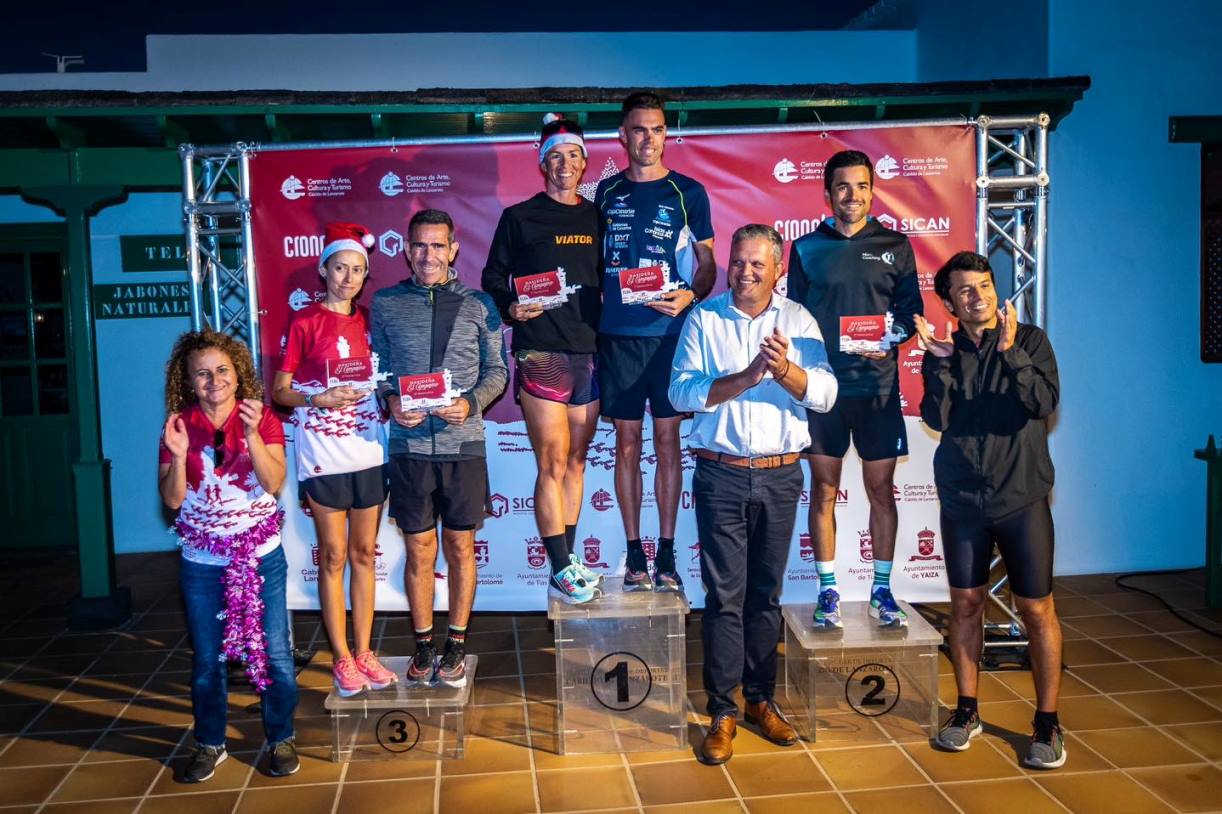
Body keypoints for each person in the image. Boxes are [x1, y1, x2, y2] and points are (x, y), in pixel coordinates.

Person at [670, 224, 838, 765]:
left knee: (765, 596)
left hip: (781, 475)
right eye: (738, 262)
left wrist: (786, 371)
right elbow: (680, 391)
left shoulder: (799, 321)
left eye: (758, 264)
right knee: (725, 599)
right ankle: (722, 711)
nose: (745, 271)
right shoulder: (704, 317)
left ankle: (761, 701)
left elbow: (828, 394)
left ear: (778, 269)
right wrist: (742, 378)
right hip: (719, 475)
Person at [916, 251, 1064, 769]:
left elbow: (1043, 404)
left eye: (984, 286)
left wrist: (1008, 352)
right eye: (965, 290)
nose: (978, 296)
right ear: (950, 303)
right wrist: (937, 365)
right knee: (965, 606)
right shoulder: (947, 349)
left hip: (1021, 496)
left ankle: (1047, 722)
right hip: (962, 499)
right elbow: (935, 416)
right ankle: (967, 711)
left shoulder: (1030, 341)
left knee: (1036, 610)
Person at [786, 149, 923, 628]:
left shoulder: (896, 245)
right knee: (823, 490)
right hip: (823, 390)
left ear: (872, 190)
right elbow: (793, 316)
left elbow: (910, 316)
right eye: (843, 186)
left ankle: (882, 591)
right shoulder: (805, 249)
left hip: (878, 389)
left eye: (862, 186)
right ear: (827, 194)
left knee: (881, 491)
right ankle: (828, 591)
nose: (853, 195)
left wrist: (892, 341)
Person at [372, 209, 508, 688]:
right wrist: (390, 400)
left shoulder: (479, 304)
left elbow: (498, 372)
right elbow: (380, 369)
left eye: (437, 246)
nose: (428, 255)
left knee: (460, 545)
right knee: (419, 550)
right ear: (407, 250)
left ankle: (457, 641)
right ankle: (424, 642)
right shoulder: (386, 303)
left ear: (453, 250)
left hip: (463, 444)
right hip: (408, 447)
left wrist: (469, 402)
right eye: (419, 246)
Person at [158, 329, 298, 783]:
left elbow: (274, 482)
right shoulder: (178, 426)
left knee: (276, 656)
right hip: (202, 562)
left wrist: (255, 435)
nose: (213, 380)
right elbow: (173, 501)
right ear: (189, 381)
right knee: (207, 660)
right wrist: (178, 458)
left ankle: (280, 738)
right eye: (202, 373)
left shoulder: (263, 418)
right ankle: (210, 743)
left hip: (261, 557)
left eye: (221, 369)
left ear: (238, 374)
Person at [596, 91, 716, 592]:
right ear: (623, 136)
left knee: (668, 443)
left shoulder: (689, 191)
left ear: (668, 133)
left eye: (658, 129)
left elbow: (707, 267)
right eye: (639, 129)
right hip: (618, 336)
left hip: (669, 336)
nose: (649, 138)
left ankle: (666, 554)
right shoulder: (603, 193)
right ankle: (632, 554)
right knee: (626, 444)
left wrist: (690, 292)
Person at [482, 114, 604, 604]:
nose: (565, 165)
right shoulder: (519, 217)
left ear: (584, 162)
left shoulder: (598, 217)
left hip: (591, 355)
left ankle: (567, 564)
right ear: (542, 164)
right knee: (552, 462)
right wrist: (512, 305)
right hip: (541, 353)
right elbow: (493, 277)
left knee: (576, 462)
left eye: (573, 155)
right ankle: (559, 567)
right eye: (555, 157)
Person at [272, 222, 395, 697]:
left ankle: (364, 652)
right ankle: (341, 658)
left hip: (367, 449)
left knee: (365, 554)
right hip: (323, 452)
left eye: (358, 270)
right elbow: (280, 390)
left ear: (366, 276)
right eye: (340, 268)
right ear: (324, 270)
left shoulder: (370, 322)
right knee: (335, 557)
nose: (348, 277)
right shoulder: (304, 322)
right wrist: (318, 400)